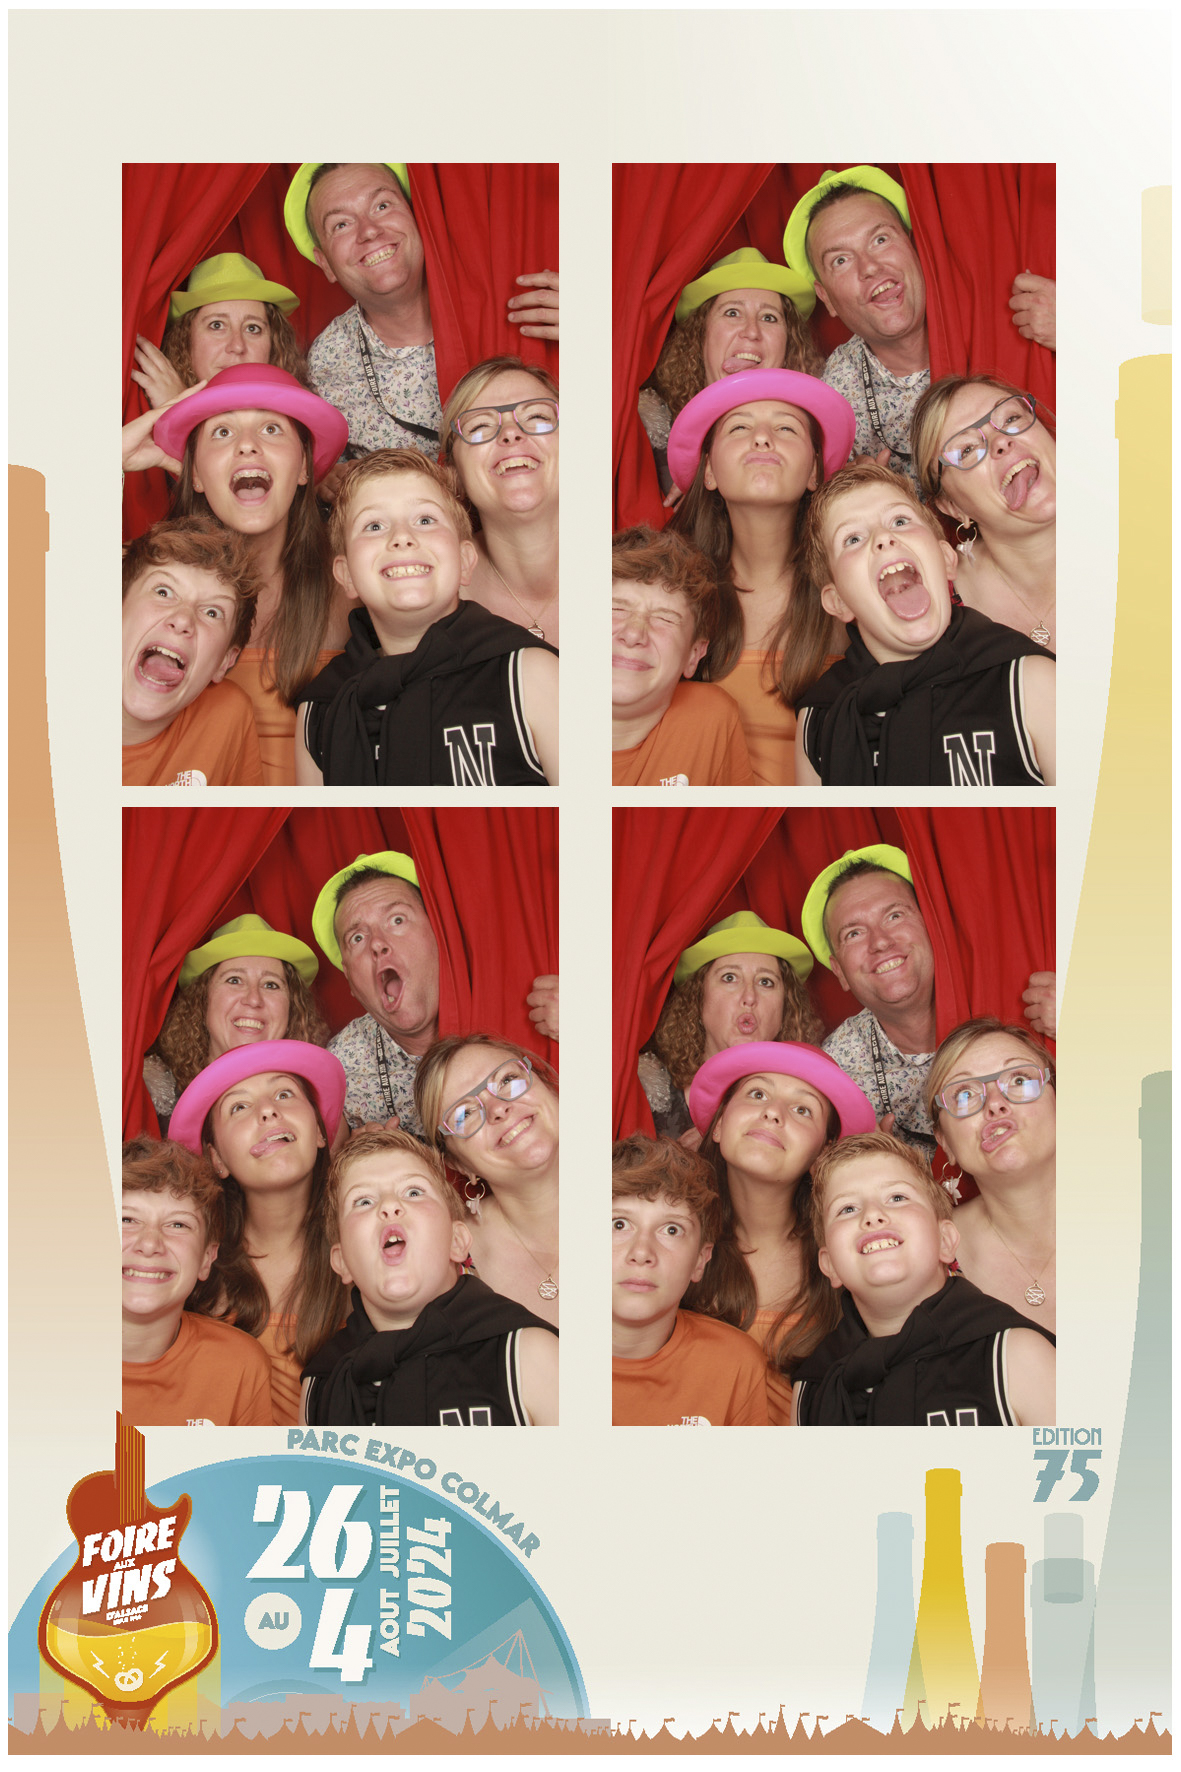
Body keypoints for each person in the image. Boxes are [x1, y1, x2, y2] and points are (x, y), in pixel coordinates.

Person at [125, 365, 351, 784]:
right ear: (194, 473)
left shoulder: (354, 584)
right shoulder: (137, 579)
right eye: (223, 432)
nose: (247, 445)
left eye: (271, 429)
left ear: (304, 467)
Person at [783, 166, 1056, 491]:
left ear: (917, 247)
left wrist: (1084, 333)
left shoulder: (993, 301)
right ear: (826, 298)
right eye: (841, 260)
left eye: (880, 240)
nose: (870, 267)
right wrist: (857, 491)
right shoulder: (838, 395)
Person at [295, 449, 557, 786]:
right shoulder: (319, 710)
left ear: (465, 561)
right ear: (346, 576)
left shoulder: (532, 675)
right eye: (374, 525)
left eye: (425, 520)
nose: (402, 538)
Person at [284, 163, 559, 473]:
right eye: (341, 225)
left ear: (420, 217)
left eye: (382, 205)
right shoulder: (327, 362)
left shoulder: (508, 289)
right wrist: (330, 478)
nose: (369, 231)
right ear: (325, 264)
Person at [793, 462, 1055, 786]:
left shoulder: (1031, 682)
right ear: (838, 601)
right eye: (853, 539)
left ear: (946, 559)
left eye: (900, 521)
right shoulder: (818, 719)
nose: (883, 538)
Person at [666, 367, 856, 784]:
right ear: (709, 472)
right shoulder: (668, 595)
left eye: (786, 428)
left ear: (814, 473)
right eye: (739, 427)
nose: (763, 438)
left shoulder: (855, 589)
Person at [800, 844, 1057, 1151]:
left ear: (933, 926)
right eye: (853, 933)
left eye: (894, 915)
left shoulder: (1011, 989)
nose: (880, 942)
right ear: (839, 971)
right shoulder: (835, 1071)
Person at [793, 1131, 1055, 1425]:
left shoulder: (1017, 1356)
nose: (873, 1215)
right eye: (847, 1208)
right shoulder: (810, 1389)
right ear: (830, 1265)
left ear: (946, 1240)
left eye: (897, 1197)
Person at [301, 1127, 558, 1426]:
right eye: (363, 1201)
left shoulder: (529, 1355)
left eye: (413, 1192)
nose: (389, 1206)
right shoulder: (320, 1386)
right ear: (342, 1261)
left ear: (457, 1241)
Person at [682, 1040, 877, 1423]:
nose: (773, 1112)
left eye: (802, 1109)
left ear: (822, 1154)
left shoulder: (850, 1253)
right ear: (719, 1124)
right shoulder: (665, 1238)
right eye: (757, 1093)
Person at [312, 848, 560, 1138]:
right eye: (357, 938)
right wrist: (353, 1153)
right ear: (350, 979)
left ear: (440, 935)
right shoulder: (338, 1070)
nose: (377, 944)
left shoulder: (516, 992)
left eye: (397, 920)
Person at [169, 1039, 349, 1426]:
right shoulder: (188, 1266)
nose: (268, 1110)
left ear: (320, 1132)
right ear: (217, 1158)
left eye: (284, 1094)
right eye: (239, 1106)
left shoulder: (365, 1255)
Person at [611, 1133, 769, 1426]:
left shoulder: (735, 1365)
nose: (642, 1253)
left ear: (700, 1261)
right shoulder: (536, 1356)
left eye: (671, 1230)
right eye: (619, 1224)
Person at [639, 247, 822, 496]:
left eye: (769, 317)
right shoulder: (650, 425)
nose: (752, 331)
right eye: (732, 313)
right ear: (700, 334)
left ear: (789, 343)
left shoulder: (811, 437)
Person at [121, 1135, 273, 1427]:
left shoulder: (239, 1366)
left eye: (178, 1224)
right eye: (127, 1220)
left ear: (206, 1259)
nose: (149, 1244)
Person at [414, 1034, 559, 1328]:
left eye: (507, 1080)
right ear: (459, 1164)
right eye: (464, 1113)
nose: (498, 1109)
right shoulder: (449, 1266)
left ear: (550, 1087)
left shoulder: (648, 1195)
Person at [640, 912, 822, 1142]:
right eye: (729, 978)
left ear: (786, 1008)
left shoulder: (807, 1101)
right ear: (698, 998)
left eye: (765, 982)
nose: (749, 997)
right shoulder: (645, 1083)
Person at [927, 1019, 1056, 1330]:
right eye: (964, 1094)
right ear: (945, 1143)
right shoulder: (932, 1257)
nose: (996, 1104)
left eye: (1019, 1079)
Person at [912, 374, 1056, 652]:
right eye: (966, 449)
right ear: (952, 507)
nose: (1000, 440)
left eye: (1011, 418)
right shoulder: (937, 608)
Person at [144, 914, 327, 1129]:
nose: (254, 999)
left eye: (270, 984)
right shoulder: (153, 1093)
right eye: (234, 980)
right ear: (202, 999)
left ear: (292, 1007)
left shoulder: (315, 1103)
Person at [122, 516, 263, 787]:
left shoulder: (226, 717)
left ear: (225, 661)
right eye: (163, 592)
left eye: (212, 612)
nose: (183, 620)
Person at [612, 525, 753, 787]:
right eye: (615, 609)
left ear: (694, 655)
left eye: (665, 619)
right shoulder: (534, 704)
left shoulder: (709, 718)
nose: (633, 634)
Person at [439, 357, 560, 646]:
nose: (510, 433)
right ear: (454, 473)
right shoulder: (430, 592)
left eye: (537, 417)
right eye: (479, 425)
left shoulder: (637, 581)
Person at [131, 253, 307, 411]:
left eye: (252, 328)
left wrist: (180, 410)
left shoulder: (300, 414)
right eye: (216, 325)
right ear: (186, 339)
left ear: (274, 344)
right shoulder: (141, 407)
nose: (237, 346)